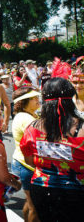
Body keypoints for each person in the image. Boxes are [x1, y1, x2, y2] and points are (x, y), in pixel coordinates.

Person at [20, 77, 84, 222]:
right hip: (76, 192)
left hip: (42, 188)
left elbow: (29, 160)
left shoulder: (31, 128)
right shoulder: (82, 128)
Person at [11, 88, 40, 222]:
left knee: (29, 202)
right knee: (35, 206)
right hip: (26, 165)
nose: (37, 100)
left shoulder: (29, 115)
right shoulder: (26, 118)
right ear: (24, 102)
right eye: (33, 98)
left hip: (22, 162)